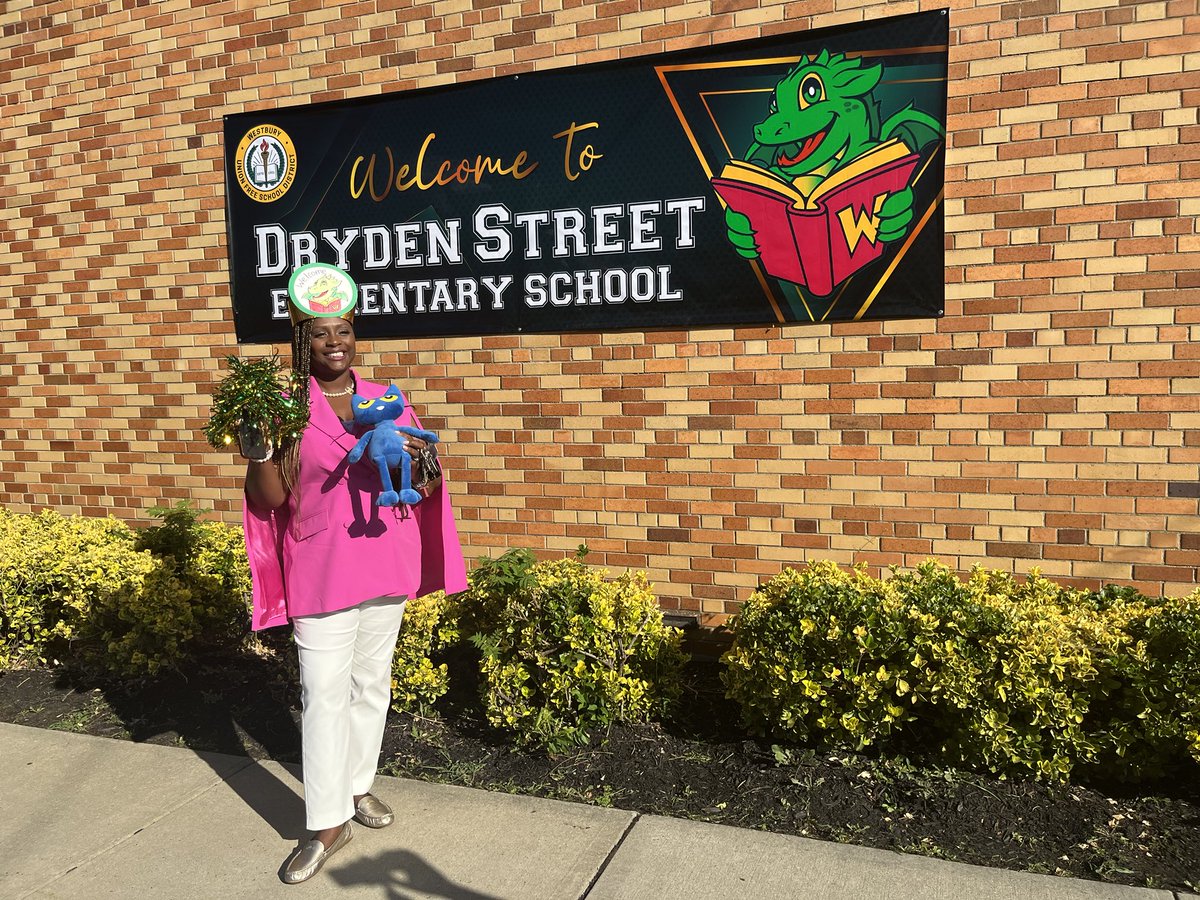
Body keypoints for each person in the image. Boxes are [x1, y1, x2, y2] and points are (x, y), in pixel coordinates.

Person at [239, 266, 467, 884]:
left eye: (343, 331)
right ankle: (325, 823)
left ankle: (358, 786)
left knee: (372, 684)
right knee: (322, 696)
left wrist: (425, 465)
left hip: (386, 558)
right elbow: (267, 500)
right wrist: (258, 449)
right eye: (320, 335)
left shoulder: (387, 396)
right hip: (321, 567)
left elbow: (420, 480)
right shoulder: (284, 405)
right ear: (302, 342)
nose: (334, 342)